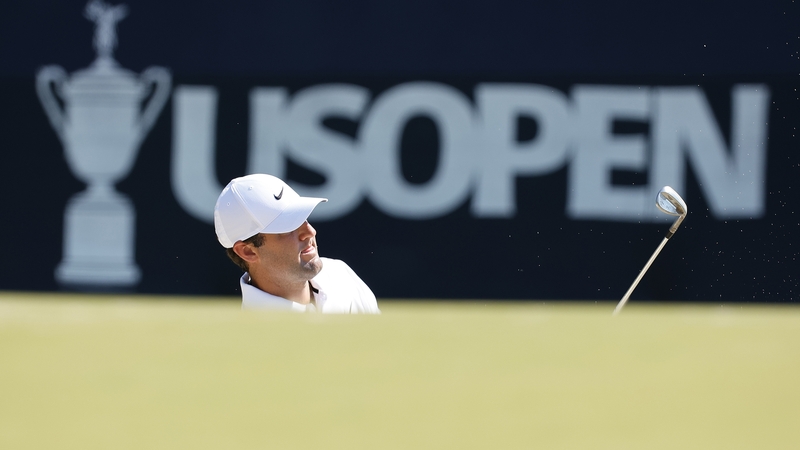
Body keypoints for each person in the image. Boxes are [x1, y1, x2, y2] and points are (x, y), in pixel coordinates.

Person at [214, 174, 380, 313]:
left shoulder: (340, 275)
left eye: (303, 218)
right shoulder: (250, 337)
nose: (310, 232)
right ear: (247, 251)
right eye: (288, 227)